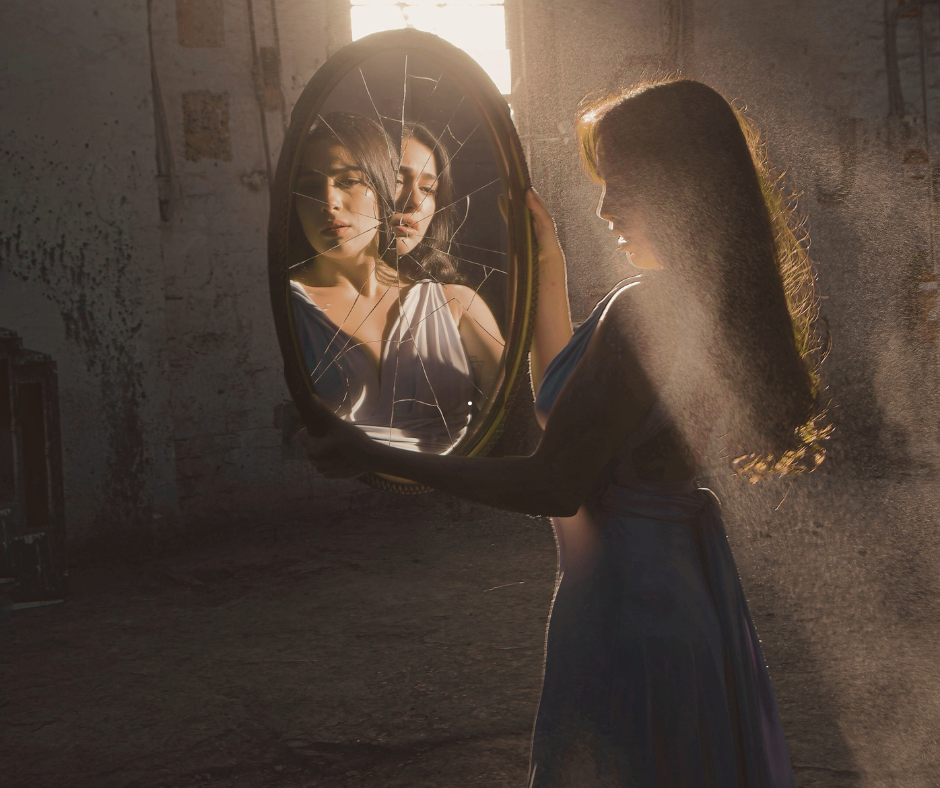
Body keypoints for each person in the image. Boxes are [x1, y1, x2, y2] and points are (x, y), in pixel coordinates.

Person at [300, 79, 830, 786]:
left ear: (683, 182)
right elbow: (565, 406)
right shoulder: (704, 298)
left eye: (627, 184)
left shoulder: (649, 310)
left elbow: (555, 479)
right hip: (671, 597)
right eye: (604, 182)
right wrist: (547, 262)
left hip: (630, 612)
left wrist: (379, 454)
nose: (606, 206)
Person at [289, 112, 503, 452]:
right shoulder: (284, 310)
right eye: (398, 180)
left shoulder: (456, 303)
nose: (329, 202)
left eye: (348, 180)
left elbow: (521, 414)